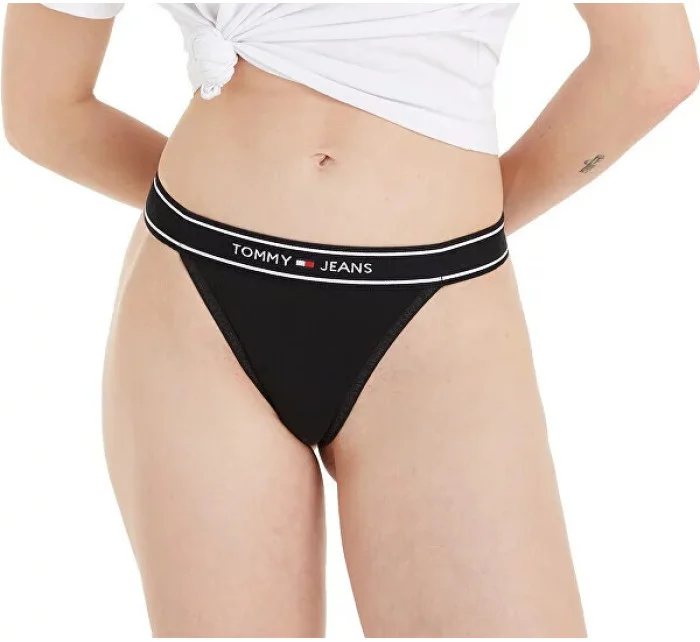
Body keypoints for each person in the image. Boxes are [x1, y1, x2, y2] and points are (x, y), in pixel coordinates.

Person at [2, 3, 697, 638]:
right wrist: (415, 224)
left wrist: (455, 233)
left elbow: (654, 64)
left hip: (414, 300)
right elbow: (41, 107)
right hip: (208, 302)